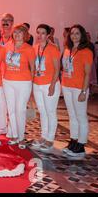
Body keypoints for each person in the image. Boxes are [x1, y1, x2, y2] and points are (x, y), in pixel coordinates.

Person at [61, 24, 93, 158]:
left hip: (79, 88)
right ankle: (73, 140)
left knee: (81, 117)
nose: (74, 36)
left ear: (82, 35)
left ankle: (81, 145)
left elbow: (87, 73)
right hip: (67, 86)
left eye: (77, 33)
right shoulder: (68, 49)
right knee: (72, 115)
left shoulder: (86, 51)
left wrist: (84, 92)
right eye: (72, 33)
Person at [3, 24, 36, 149]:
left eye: (20, 32)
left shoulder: (28, 48)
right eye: (15, 32)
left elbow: (33, 67)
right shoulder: (7, 46)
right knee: (11, 110)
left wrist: (32, 85)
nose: (17, 35)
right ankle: (15, 135)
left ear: (25, 35)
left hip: (23, 83)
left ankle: (21, 138)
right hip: (8, 82)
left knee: (20, 110)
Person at [30, 24, 61, 153]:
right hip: (37, 83)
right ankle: (43, 136)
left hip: (49, 84)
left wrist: (53, 85)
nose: (40, 35)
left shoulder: (53, 48)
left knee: (50, 111)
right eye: (38, 32)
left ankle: (50, 138)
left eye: (43, 33)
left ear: (48, 35)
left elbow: (57, 68)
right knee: (42, 111)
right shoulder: (35, 47)